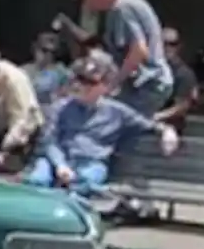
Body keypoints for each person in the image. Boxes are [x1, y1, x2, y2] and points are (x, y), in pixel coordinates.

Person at [26, 51, 178, 198]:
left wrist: (166, 131)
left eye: (90, 82)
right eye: (79, 79)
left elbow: (148, 125)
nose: (81, 86)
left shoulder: (117, 112)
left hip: (89, 163)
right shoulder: (59, 107)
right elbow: (49, 141)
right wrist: (60, 165)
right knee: (36, 180)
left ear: (105, 86)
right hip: (57, 161)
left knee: (87, 181)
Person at [75, 0, 173, 115]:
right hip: (148, 83)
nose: (87, 3)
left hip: (146, 84)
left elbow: (139, 50)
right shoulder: (129, 4)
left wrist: (114, 83)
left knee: (113, 123)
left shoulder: (121, 9)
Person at [157, 26, 199, 134]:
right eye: (163, 43)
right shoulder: (148, 69)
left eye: (172, 44)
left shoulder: (184, 74)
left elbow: (181, 107)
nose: (167, 48)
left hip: (171, 130)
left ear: (179, 46)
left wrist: (155, 116)